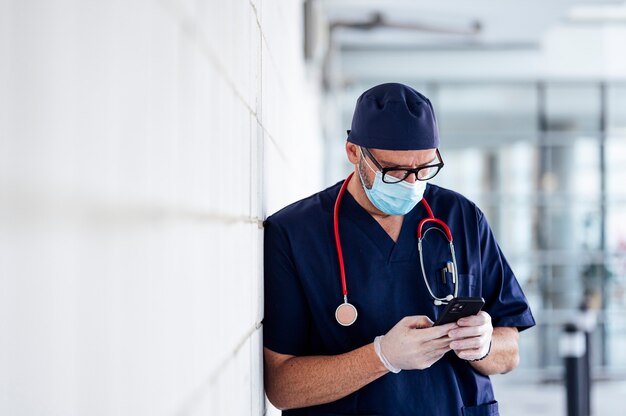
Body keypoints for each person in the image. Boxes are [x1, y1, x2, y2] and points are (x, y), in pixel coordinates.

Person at [263, 83, 535, 416]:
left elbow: (510, 352)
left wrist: (485, 346)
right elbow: (282, 386)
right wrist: (381, 357)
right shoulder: (295, 233)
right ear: (353, 153)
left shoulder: (462, 218)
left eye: (423, 169)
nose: (411, 184)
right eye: (395, 171)